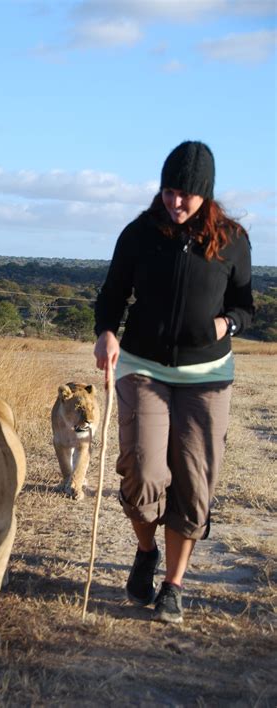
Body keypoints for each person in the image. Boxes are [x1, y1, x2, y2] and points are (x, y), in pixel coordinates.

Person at [94, 141, 254, 624]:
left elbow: (246, 304)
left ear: (205, 194)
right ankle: (146, 551)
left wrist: (228, 325)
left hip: (207, 377)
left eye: (185, 195)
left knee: (193, 481)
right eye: (168, 192)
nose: (175, 203)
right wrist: (105, 332)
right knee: (143, 472)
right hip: (143, 366)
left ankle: (173, 586)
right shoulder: (140, 233)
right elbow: (113, 294)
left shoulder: (232, 239)